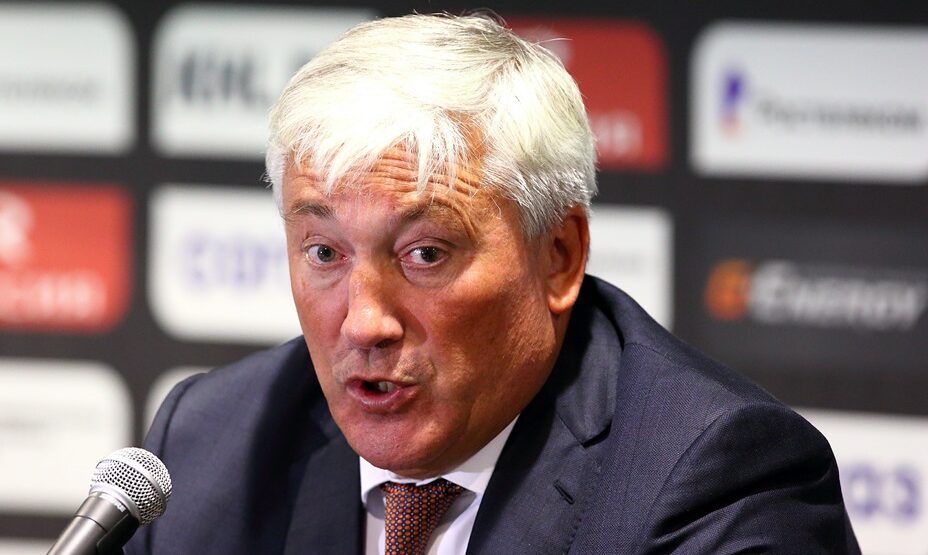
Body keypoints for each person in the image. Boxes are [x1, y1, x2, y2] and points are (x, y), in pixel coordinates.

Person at [126, 13, 859, 554]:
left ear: (559, 256)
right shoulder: (209, 443)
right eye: (324, 252)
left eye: (425, 253)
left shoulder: (715, 480)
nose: (365, 322)